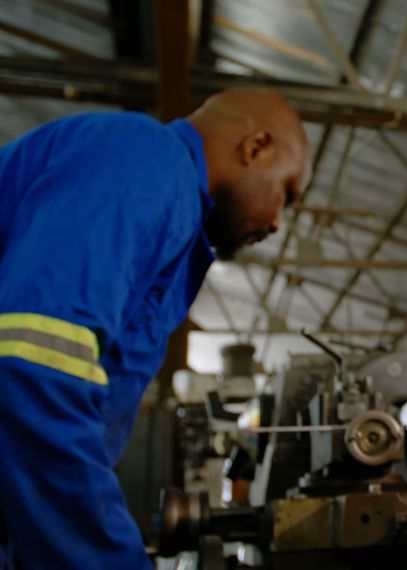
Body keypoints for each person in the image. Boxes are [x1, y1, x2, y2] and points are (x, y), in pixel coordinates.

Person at [0, 88, 311, 568]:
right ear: (256, 147)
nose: (276, 223)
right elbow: (32, 368)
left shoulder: (175, 221)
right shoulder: (149, 158)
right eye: (286, 193)